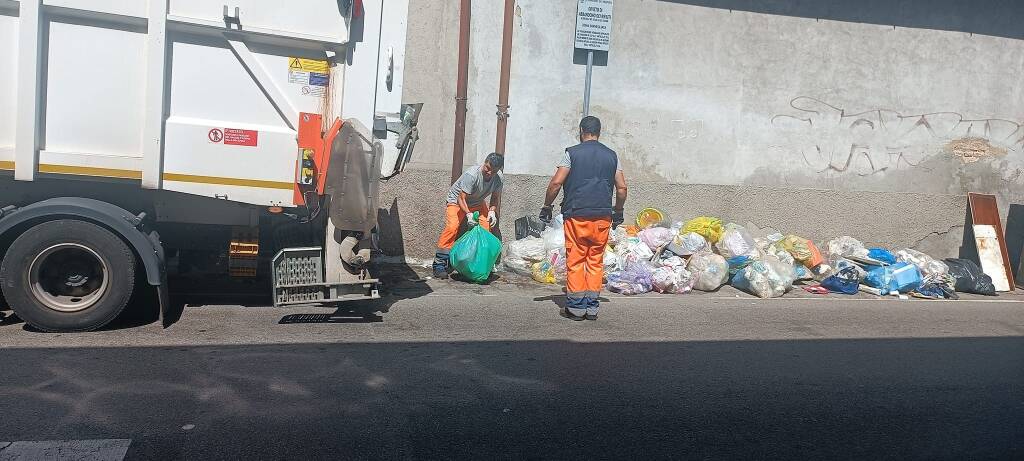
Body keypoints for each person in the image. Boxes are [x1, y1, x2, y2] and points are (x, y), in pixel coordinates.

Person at [540, 116, 627, 321]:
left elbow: (556, 183)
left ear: (581, 131)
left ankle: (577, 308)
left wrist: (546, 205)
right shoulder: (612, 156)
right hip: (603, 217)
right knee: (595, 260)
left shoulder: (571, 153)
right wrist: (618, 210)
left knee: (577, 259)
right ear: (599, 132)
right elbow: (622, 188)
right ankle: (592, 307)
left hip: (577, 214)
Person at [433, 153, 504, 279]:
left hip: (477, 203)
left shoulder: (498, 178)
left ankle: (479, 264)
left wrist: (492, 211)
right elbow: (461, 198)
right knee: (452, 228)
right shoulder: (472, 175)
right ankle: (439, 264)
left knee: (485, 229)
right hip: (456, 202)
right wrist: (469, 215)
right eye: (487, 168)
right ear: (485, 162)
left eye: (493, 171)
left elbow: (495, 198)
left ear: (498, 170)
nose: (489, 173)